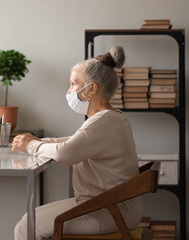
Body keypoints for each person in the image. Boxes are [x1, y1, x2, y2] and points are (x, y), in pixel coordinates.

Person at [11, 45, 142, 240]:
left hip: (107, 211)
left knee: (25, 227)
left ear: (92, 89)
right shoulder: (111, 118)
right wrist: (39, 141)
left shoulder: (103, 121)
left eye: (73, 84)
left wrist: (31, 146)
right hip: (107, 206)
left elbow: (66, 153)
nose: (69, 91)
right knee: (27, 221)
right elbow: (75, 142)